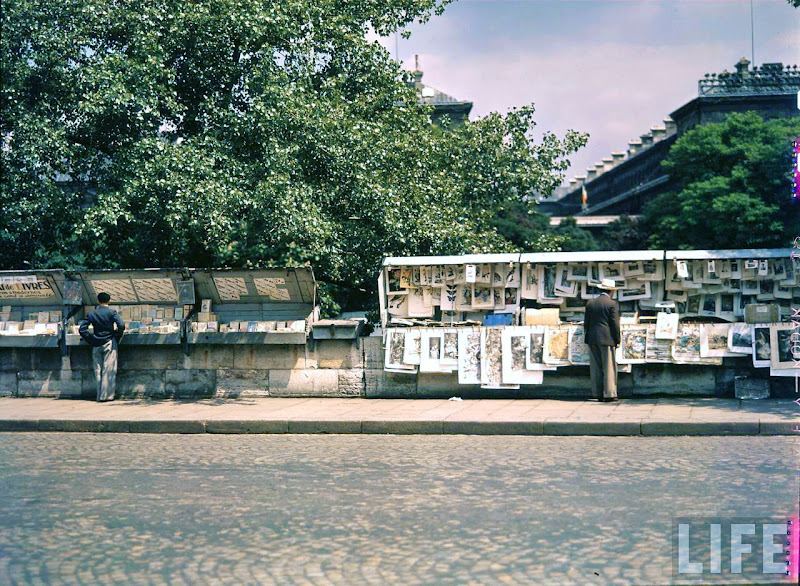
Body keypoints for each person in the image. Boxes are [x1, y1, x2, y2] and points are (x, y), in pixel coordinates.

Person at [79, 292, 125, 402]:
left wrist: (90, 339)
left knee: (98, 370)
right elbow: (121, 325)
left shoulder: (92, 313)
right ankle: (107, 395)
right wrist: (116, 335)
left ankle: (99, 395)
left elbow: (82, 329)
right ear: (109, 301)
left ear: (98, 301)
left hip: (96, 343)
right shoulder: (111, 312)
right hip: (109, 342)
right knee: (109, 369)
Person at [583, 278, 620, 402]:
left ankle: (597, 393)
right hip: (607, 338)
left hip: (592, 338)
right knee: (609, 366)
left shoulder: (590, 303)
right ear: (611, 291)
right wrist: (617, 340)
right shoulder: (611, 304)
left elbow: (586, 323)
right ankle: (609, 394)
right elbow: (614, 324)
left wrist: (587, 337)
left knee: (595, 368)